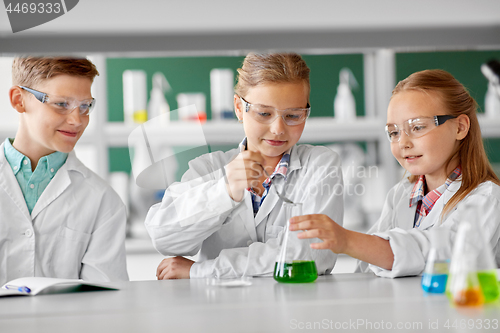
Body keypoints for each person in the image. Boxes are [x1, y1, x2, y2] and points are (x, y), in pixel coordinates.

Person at [146, 53, 344, 279]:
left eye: (293, 115)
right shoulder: (208, 168)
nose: (278, 128)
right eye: (264, 113)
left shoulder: (320, 165)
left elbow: (311, 257)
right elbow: (164, 238)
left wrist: (201, 270)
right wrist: (224, 192)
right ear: (239, 107)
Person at [290, 69, 500, 277]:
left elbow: (442, 254)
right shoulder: (401, 194)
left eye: (417, 127)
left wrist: (348, 241)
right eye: (394, 132)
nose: (403, 143)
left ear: (460, 127)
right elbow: (366, 268)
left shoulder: (487, 198)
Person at [0, 56, 129, 285]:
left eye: (85, 106)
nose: (76, 120)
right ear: (19, 100)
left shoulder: (103, 201)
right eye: (61, 104)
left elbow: (103, 300)